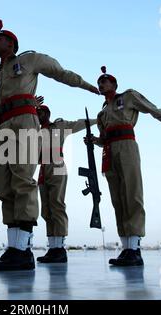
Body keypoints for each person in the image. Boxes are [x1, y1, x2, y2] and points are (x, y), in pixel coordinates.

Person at [0, 19, 100, 271]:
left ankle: (23, 250)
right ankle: (14, 249)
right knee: (4, 186)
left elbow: (60, 72)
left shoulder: (29, 59)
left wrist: (87, 85)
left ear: (10, 42)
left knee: (22, 179)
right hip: (3, 125)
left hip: (24, 121)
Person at [88, 66, 161, 266]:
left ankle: (135, 249)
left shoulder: (128, 97)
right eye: (99, 83)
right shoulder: (101, 114)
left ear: (114, 84)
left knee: (132, 193)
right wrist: (94, 140)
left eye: (105, 81)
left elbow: (155, 110)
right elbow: (103, 138)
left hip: (127, 147)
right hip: (109, 152)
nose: (101, 84)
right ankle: (126, 248)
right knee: (118, 199)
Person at [36, 103, 97, 263]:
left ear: (48, 113)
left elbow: (78, 124)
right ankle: (52, 247)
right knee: (46, 209)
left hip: (56, 164)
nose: (39, 114)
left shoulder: (59, 126)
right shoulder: (34, 131)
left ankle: (60, 248)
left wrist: (97, 120)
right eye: (37, 112)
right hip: (42, 168)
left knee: (57, 204)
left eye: (42, 112)